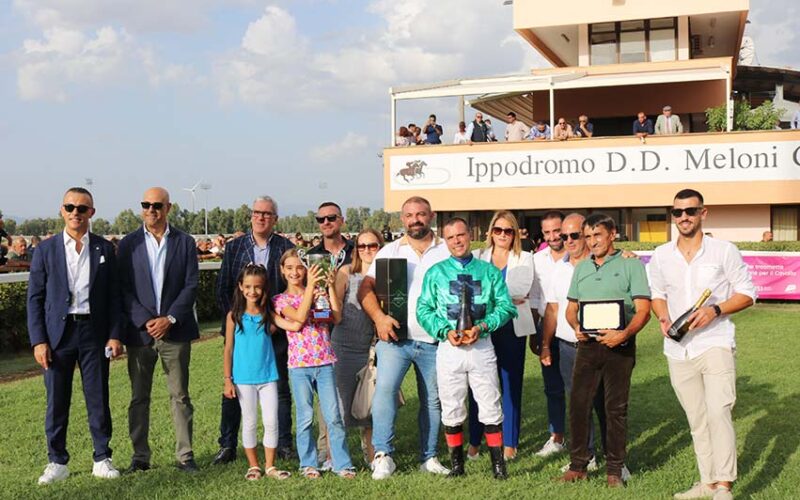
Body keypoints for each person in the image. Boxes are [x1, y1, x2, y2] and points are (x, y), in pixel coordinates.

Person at [649, 189, 756, 500]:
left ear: (703, 213)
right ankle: (707, 482)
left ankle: (724, 486)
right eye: (678, 212)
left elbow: (748, 293)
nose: (684, 217)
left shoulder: (724, 251)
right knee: (697, 419)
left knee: (718, 411)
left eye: (690, 211)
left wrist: (715, 310)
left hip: (715, 342)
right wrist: (663, 318)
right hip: (678, 349)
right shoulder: (661, 254)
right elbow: (657, 293)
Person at [27, 187, 123, 484]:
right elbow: (35, 298)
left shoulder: (105, 249)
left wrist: (115, 335)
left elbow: (115, 297)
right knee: (56, 399)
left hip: (93, 332)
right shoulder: (45, 250)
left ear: (91, 213)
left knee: (98, 397)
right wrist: (38, 340)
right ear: (62, 210)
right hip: (58, 334)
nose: (75, 213)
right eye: (70, 207)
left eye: (82, 208)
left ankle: (101, 457)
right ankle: (57, 461)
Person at [358, 196, 451, 480]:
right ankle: (383, 455)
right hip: (395, 339)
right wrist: (379, 318)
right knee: (385, 392)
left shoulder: (447, 250)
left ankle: (430, 456)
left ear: (431, 216)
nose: (415, 220)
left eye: (421, 214)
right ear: (402, 219)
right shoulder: (389, 251)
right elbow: (365, 288)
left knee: (433, 400)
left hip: (435, 340)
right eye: (410, 215)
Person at [417, 217, 516, 479]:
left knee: (490, 404)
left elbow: (507, 307)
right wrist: (444, 331)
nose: (457, 241)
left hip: (482, 346)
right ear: (445, 240)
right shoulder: (436, 273)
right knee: (451, 405)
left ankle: (498, 466)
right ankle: (458, 465)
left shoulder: (489, 271)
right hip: (449, 349)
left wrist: (482, 328)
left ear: (469, 235)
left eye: (460, 235)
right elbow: (423, 309)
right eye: (450, 238)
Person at [558, 213, 651, 487]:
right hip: (587, 346)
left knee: (615, 409)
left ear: (612, 234)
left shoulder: (631, 265)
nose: (592, 241)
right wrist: (575, 326)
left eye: (597, 235)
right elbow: (571, 309)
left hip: (619, 346)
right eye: (587, 236)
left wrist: (624, 334)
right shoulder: (582, 268)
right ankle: (578, 466)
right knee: (578, 405)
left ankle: (614, 470)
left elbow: (644, 310)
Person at [117, 187, 200, 474]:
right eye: (146, 204)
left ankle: (185, 455)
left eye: (157, 205)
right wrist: (146, 320)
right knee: (139, 397)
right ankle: (140, 457)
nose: (151, 209)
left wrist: (171, 318)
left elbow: (191, 284)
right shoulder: (128, 244)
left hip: (175, 332)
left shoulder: (185, 242)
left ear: (168, 207)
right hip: (141, 334)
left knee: (180, 396)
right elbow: (124, 289)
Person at [213, 196, 295, 465]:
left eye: (267, 214)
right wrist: (238, 320)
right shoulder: (235, 247)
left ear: (275, 219)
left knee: (280, 389)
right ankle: (227, 445)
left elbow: (291, 289)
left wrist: (273, 321)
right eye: (257, 213)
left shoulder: (286, 246)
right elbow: (224, 287)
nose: (261, 217)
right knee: (234, 390)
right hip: (242, 330)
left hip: (276, 331)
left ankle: (283, 443)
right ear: (251, 216)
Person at [272, 249, 356, 479]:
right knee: (305, 417)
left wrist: (328, 286)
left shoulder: (318, 293)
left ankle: (342, 463)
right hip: (299, 366)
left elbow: (336, 318)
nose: (295, 272)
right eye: (289, 268)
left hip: (325, 362)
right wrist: (311, 286)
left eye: (300, 267)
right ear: (282, 271)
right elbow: (298, 318)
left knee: (333, 416)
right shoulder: (280, 300)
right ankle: (308, 464)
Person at [541, 214, 608, 475]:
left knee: (605, 403)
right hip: (568, 346)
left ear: (587, 234)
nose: (565, 240)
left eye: (573, 235)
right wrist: (546, 345)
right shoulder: (560, 268)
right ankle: (586, 454)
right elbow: (552, 309)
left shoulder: (603, 263)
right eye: (563, 236)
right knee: (577, 403)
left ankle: (615, 457)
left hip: (600, 345)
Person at [467, 211, 536, 461]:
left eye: (508, 231)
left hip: (513, 329)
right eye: (498, 230)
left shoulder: (525, 258)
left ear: (515, 234)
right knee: (479, 385)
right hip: (482, 329)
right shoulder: (477, 257)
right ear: (490, 232)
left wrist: (492, 295)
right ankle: (475, 441)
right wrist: (504, 298)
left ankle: (510, 443)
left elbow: (521, 290)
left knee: (510, 385)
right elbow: (478, 293)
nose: (503, 235)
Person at [222, 264, 290, 481]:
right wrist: (227, 380)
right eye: (248, 286)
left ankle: (270, 466)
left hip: (268, 377)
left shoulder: (268, 316)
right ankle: (254, 466)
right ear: (241, 287)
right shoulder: (234, 316)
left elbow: (289, 324)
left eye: (258, 287)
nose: (253, 291)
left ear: (264, 289)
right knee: (249, 421)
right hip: (243, 379)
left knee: (271, 421)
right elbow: (229, 349)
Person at [329, 229, 383, 465]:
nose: (367, 250)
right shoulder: (346, 273)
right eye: (362, 246)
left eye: (372, 245)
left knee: (370, 408)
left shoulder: (388, 274)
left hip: (373, 351)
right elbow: (336, 313)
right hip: (344, 348)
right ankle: (335, 459)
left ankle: (372, 457)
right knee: (339, 407)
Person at [529, 211, 568, 458]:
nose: (554, 236)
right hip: (547, 330)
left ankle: (587, 440)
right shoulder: (537, 260)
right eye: (548, 232)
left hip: (575, 330)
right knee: (553, 387)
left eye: (557, 231)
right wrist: (535, 333)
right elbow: (534, 298)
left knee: (582, 388)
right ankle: (557, 437)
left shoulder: (579, 255)